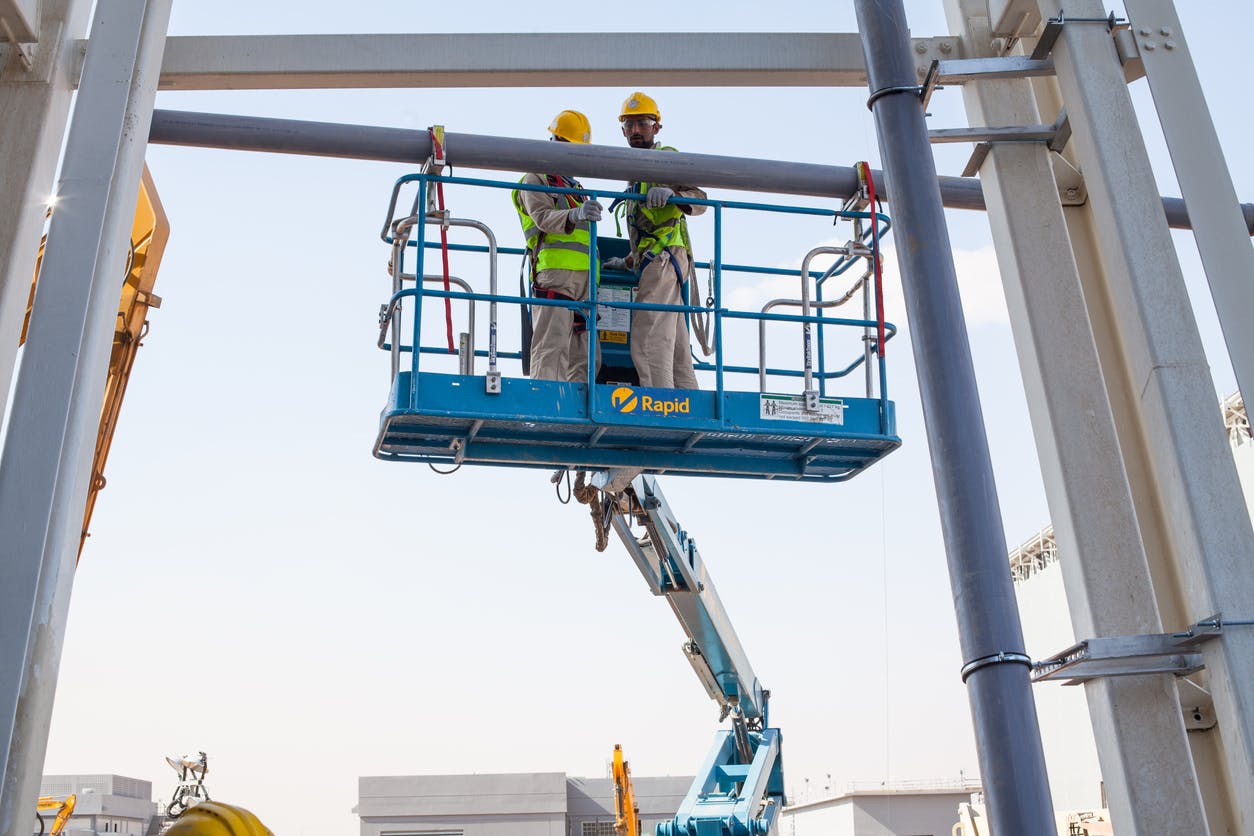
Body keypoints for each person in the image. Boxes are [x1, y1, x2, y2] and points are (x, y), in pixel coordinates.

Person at [603, 92, 706, 390]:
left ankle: (660, 406)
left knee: (649, 338)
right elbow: (646, 234)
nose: (636, 131)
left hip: (664, 260)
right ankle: (690, 407)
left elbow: (700, 200)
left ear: (656, 128)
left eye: (643, 124)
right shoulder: (635, 176)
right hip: (659, 260)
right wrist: (628, 261)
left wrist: (675, 196)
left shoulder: (666, 158)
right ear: (623, 130)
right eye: (630, 124)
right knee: (674, 345)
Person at [512, 109, 603, 383]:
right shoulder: (536, 179)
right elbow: (542, 218)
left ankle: (577, 414)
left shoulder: (576, 188)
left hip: (587, 281)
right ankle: (545, 408)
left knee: (587, 356)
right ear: (556, 142)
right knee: (551, 349)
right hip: (555, 276)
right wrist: (575, 215)